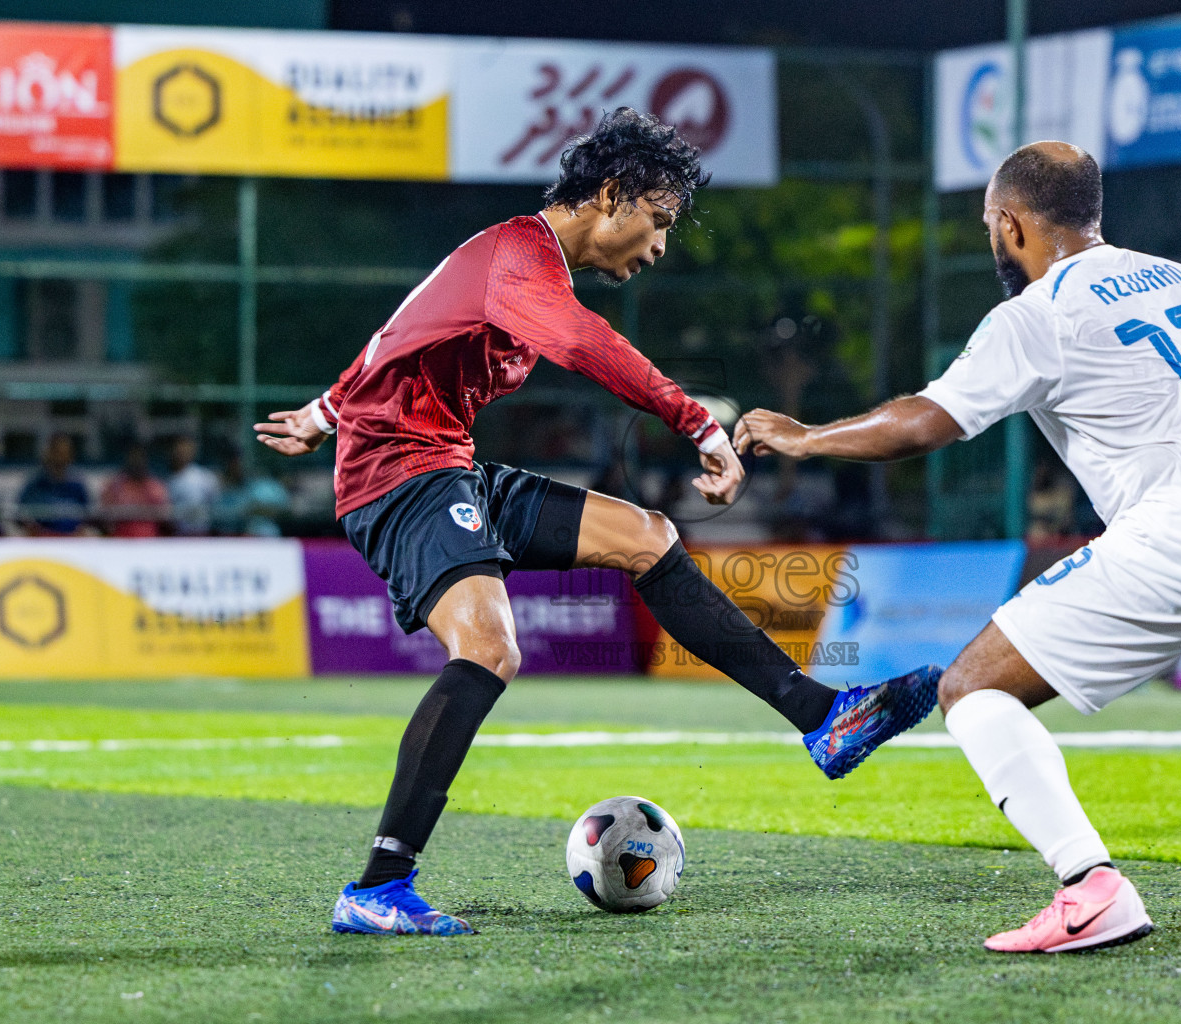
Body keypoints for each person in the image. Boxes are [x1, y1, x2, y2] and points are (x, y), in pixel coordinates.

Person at [253, 108, 938, 937]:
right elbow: (586, 345)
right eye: (658, 221)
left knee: (649, 536)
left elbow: (398, 331)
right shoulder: (520, 262)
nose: (657, 247)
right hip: (398, 476)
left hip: (446, 463)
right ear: (613, 196)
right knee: (490, 647)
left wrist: (324, 410)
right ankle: (378, 886)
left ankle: (822, 718)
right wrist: (696, 422)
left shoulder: (507, 263)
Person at [736, 142, 1181, 953]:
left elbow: (923, 422)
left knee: (973, 689)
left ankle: (1091, 886)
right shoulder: (1179, 280)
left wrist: (806, 437)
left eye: (990, 224)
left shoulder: (1038, 313)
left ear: (1010, 223)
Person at [16, 433, 91, 537]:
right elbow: (19, 512)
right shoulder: (35, 483)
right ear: (50, 453)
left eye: (66, 453)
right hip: (42, 539)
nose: (62, 457)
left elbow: (89, 514)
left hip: (73, 539)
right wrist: (31, 528)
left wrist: (81, 530)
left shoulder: (77, 484)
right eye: (58, 452)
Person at [100, 444, 170, 538]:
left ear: (145, 461)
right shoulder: (115, 486)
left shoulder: (155, 487)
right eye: (133, 458)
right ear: (127, 460)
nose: (136, 463)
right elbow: (103, 514)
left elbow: (165, 517)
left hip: (149, 539)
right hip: (120, 539)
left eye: (139, 459)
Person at [165, 436, 221, 536]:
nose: (182, 453)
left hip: (202, 533)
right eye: (179, 449)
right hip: (179, 534)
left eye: (186, 449)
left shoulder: (204, 477)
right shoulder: (169, 481)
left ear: (193, 451)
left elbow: (215, 503)